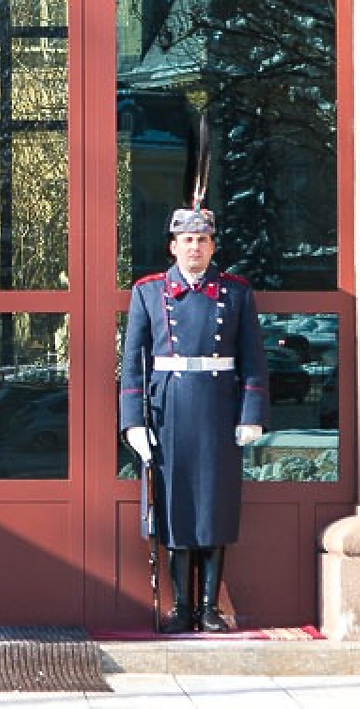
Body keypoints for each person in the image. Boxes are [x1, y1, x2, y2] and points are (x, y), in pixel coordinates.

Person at [118, 206, 268, 634]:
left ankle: (209, 608)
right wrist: (134, 421)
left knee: (214, 506)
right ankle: (181, 606)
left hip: (220, 406)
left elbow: (253, 359)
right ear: (173, 246)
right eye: (187, 241)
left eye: (202, 241)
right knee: (176, 506)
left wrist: (251, 413)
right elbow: (132, 363)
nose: (195, 248)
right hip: (170, 406)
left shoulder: (236, 292)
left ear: (212, 246)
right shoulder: (148, 292)